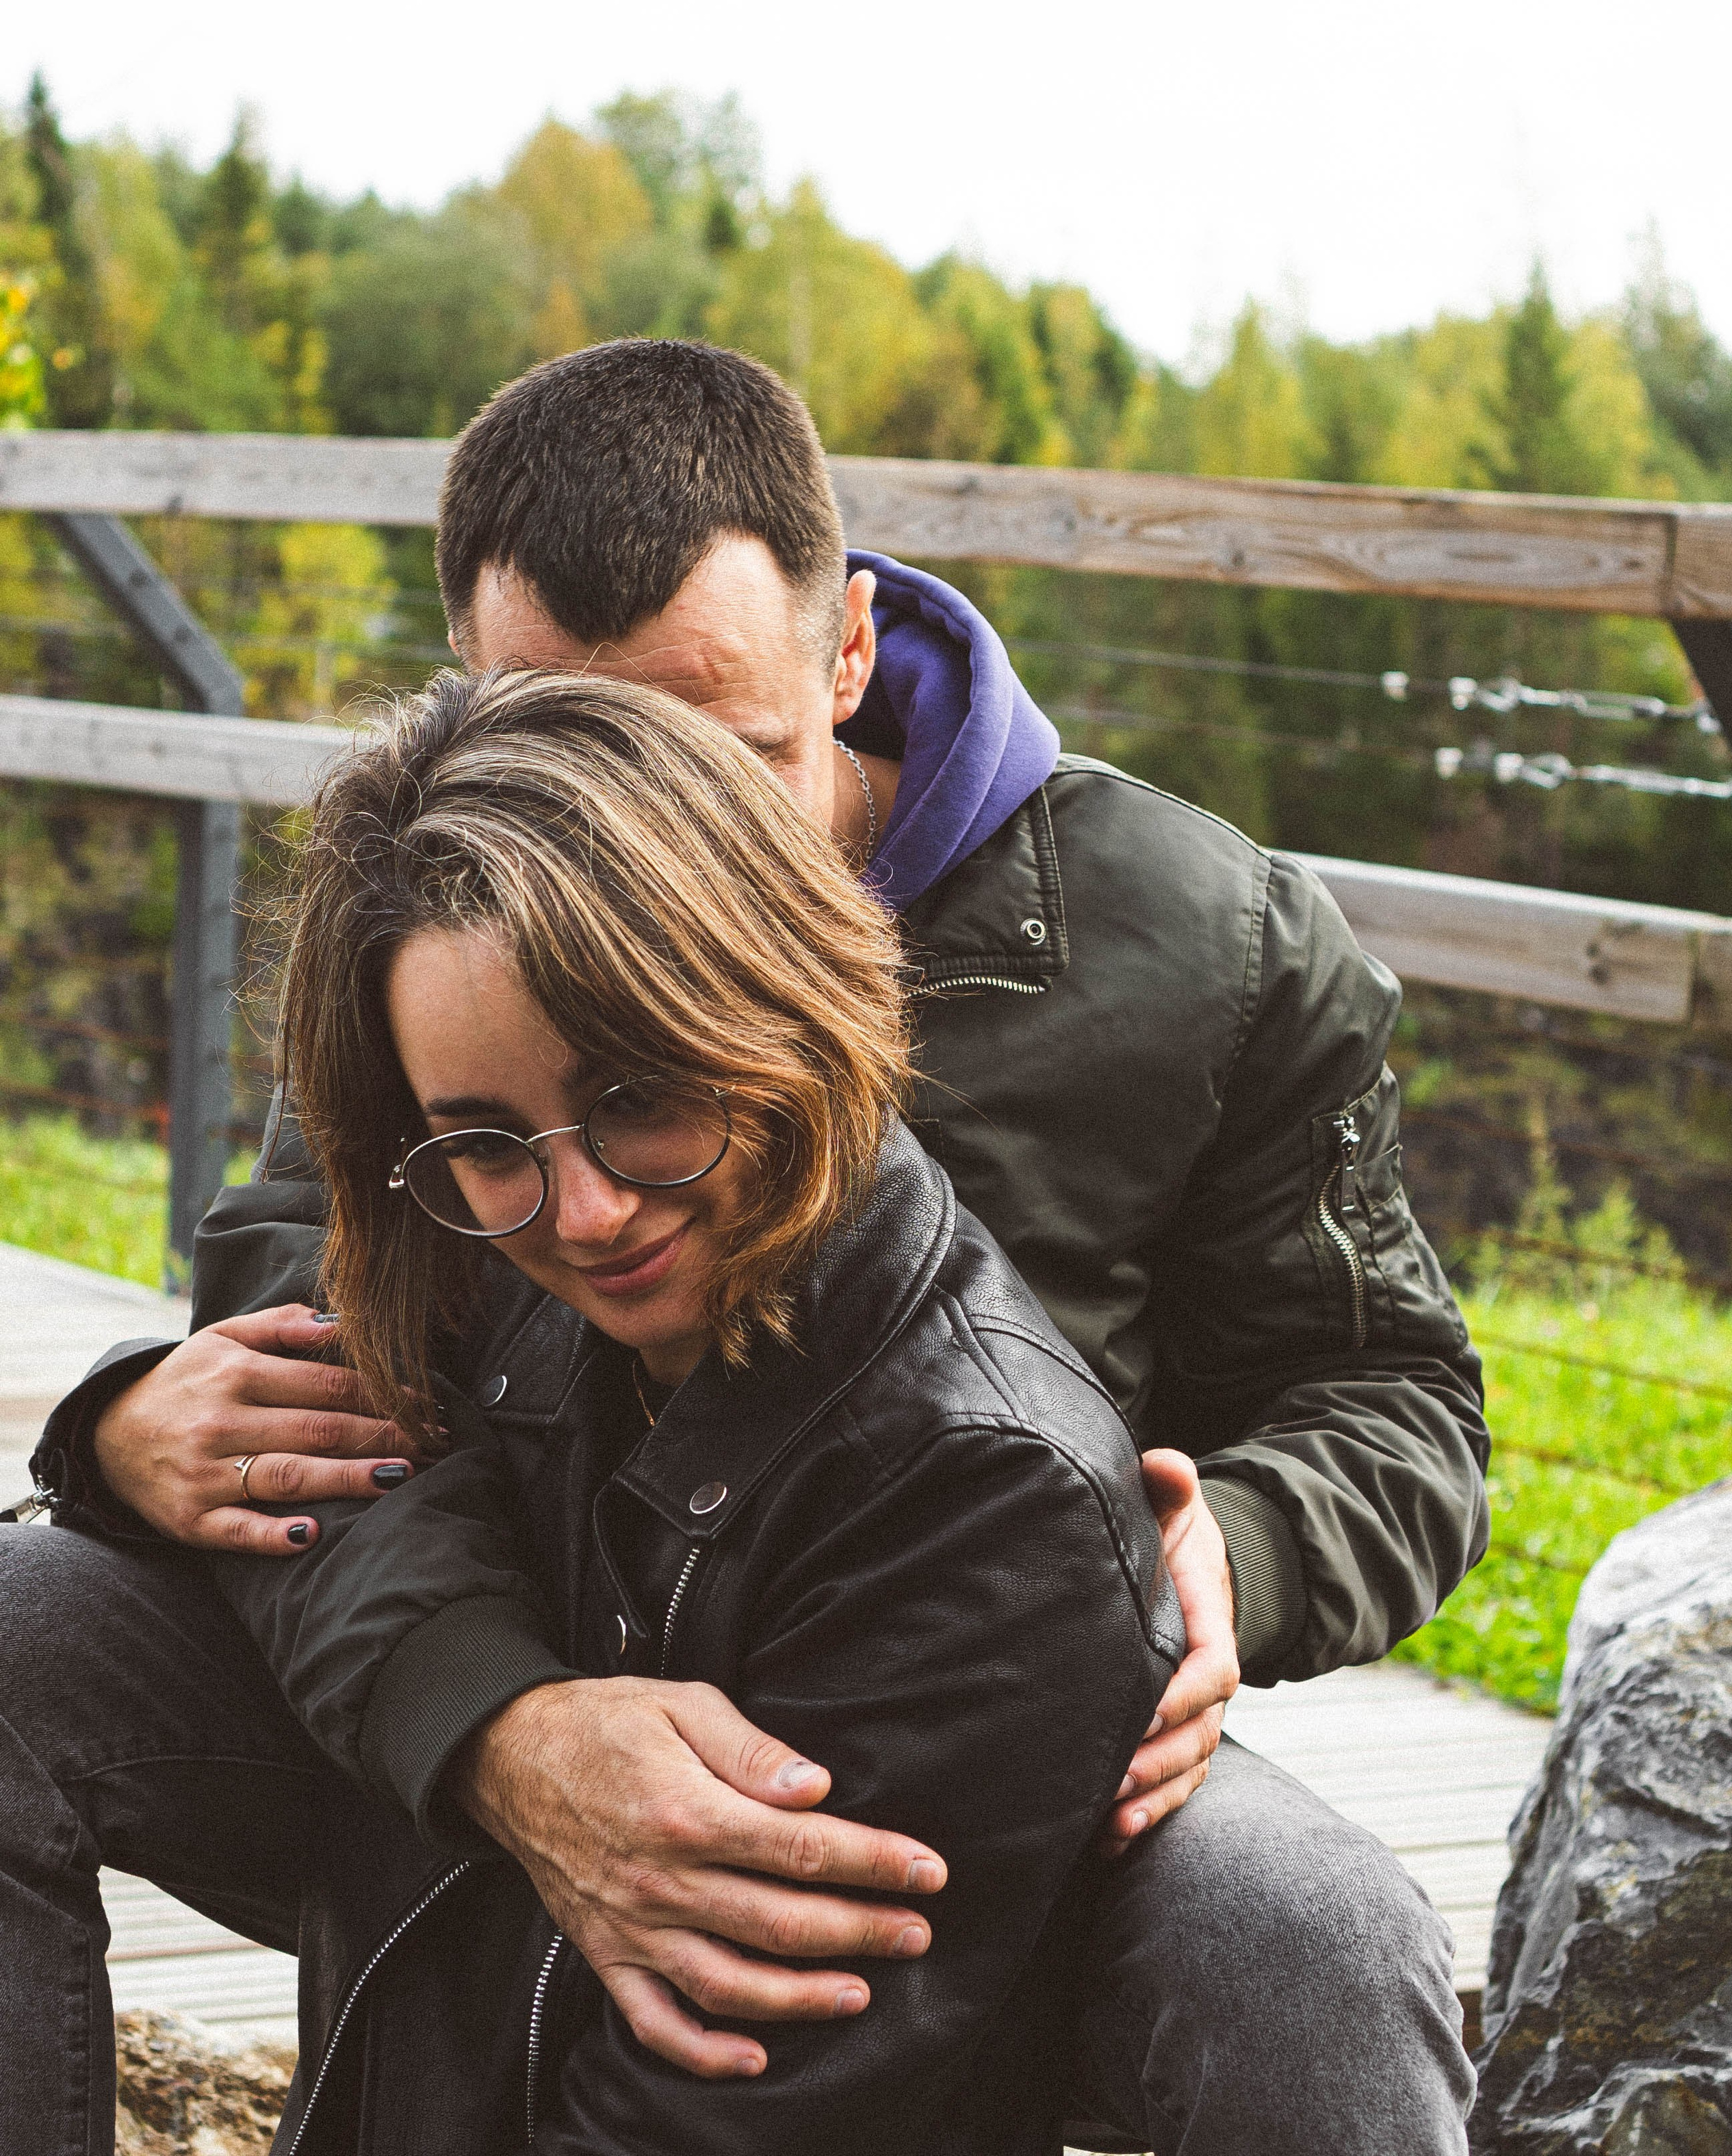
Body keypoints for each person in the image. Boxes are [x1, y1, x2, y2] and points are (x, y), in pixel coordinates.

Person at [25, 339, 1484, 2152]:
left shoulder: (1213, 947)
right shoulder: (443, 905)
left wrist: (1229, 1558)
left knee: (1306, 1945)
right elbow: (311, 1330)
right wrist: (498, 1721)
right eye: (558, 746)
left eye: (715, 757)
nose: (632, 836)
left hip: (972, 1711)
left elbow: (1390, 1399)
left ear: (846, 645)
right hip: (499, 1623)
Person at [6, 666, 1188, 2154]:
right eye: (486, 1141)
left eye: (638, 1097)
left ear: (779, 991)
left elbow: (709, 2116)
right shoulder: (470, 1243)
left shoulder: (988, 1493)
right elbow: (289, 1485)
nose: (583, 1214)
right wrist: (119, 1442)